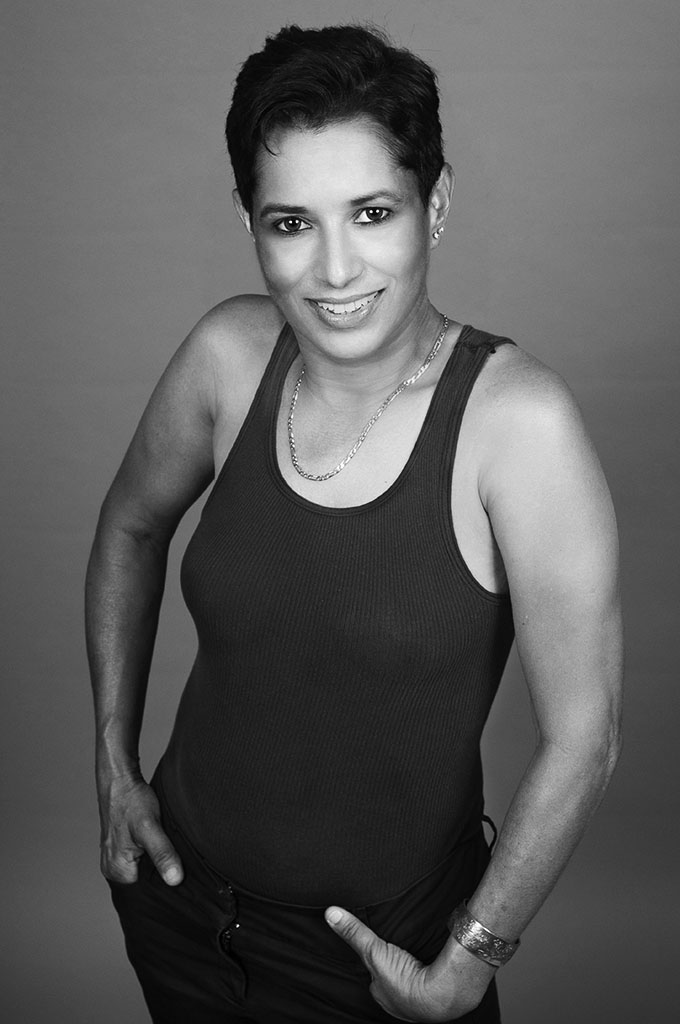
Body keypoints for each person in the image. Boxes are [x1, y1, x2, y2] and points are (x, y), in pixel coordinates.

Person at [85, 23, 623, 1024]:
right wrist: (113, 761)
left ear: (436, 203)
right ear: (249, 221)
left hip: (382, 956)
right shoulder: (227, 356)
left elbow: (582, 740)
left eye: (372, 213)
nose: (334, 269)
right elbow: (129, 531)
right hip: (181, 910)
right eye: (291, 222)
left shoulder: (517, 424)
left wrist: (469, 959)